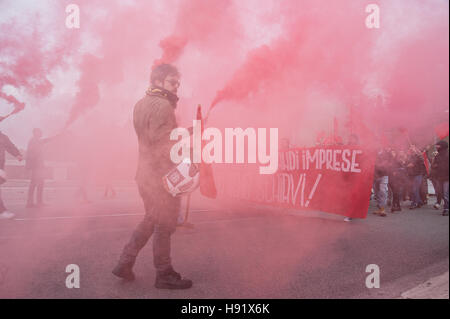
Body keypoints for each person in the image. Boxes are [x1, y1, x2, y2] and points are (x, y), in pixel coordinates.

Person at [112, 64, 192, 289]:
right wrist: (187, 142)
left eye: (178, 83)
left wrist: (187, 132)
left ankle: (124, 263)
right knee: (164, 225)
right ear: (158, 82)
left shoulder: (140, 104)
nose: (177, 87)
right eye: (172, 82)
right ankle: (164, 274)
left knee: (151, 219)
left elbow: (153, 137)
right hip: (161, 177)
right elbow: (162, 142)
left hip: (145, 175)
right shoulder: (164, 105)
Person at [25, 128, 56, 208]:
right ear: (36, 133)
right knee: (35, 184)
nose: (41, 133)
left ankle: (38, 202)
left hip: (39, 166)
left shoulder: (36, 141)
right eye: (40, 132)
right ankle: (30, 203)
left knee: (40, 184)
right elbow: (31, 155)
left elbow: (45, 140)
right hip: (36, 167)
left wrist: (55, 137)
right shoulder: (33, 141)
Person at [0, 131, 23, 219]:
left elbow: (10, 146)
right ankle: (2, 210)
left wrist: (17, 154)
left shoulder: (2, 136)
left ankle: (2, 210)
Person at [430, 141, 449, 216]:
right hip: (439, 177)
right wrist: (433, 162)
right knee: (441, 193)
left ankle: (446, 209)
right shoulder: (437, 156)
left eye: (438, 146)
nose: (436, 147)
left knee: (446, 193)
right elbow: (433, 166)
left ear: (442, 146)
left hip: (447, 177)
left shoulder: (448, 155)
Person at [406, 145, 427, 209]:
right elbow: (407, 163)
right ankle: (419, 201)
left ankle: (415, 203)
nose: (411, 149)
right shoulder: (410, 156)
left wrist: (413, 164)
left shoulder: (419, 156)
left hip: (418, 174)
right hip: (411, 175)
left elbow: (421, 162)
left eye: (413, 147)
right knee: (414, 189)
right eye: (410, 147)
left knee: (415, 189)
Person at [373, 149, 391, 217]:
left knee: (383, 191)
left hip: (384, 175)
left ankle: (383, 209)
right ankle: (380, 208)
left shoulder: (386, 153)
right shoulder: (373, 152)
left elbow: (389, 162)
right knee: (376, 192)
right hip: (375, 176)